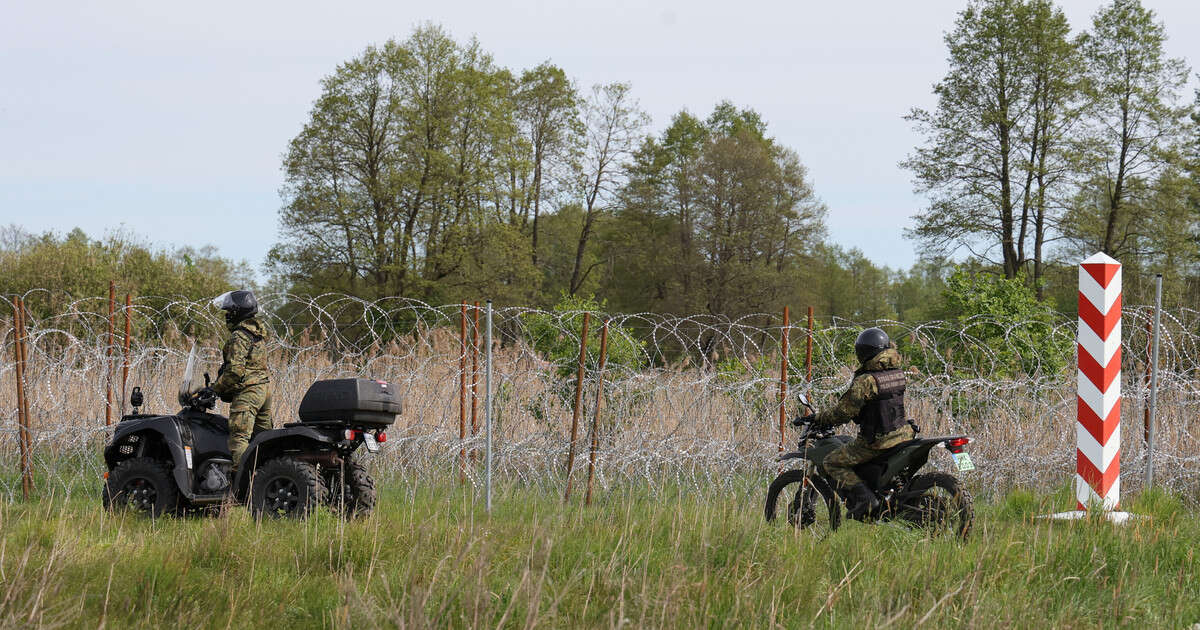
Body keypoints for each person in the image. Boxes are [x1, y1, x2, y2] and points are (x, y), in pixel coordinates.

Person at [809, 327, 913, 518]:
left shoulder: (867, 380)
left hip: (877, 442)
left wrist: (819, 417)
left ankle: (866, 500)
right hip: (903, 434)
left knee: (831, 462)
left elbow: (843, 412)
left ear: (864, 352)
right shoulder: (898, 373)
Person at [207, 290, 272, 474]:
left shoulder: (240, 336)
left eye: (229, 311)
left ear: (237, 312)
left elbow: (235, 371)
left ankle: (240, 488)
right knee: (263, 439)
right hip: (263, 390)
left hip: (248, 392)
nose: (227, 314)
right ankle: (264, 479)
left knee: (239, 438)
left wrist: (215, 389)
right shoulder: (256, 333)